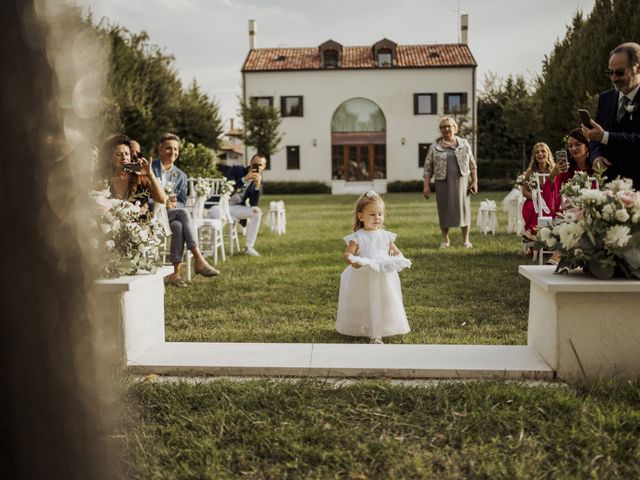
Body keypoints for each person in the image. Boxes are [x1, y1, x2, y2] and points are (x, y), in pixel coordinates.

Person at [336, 191, 411, 344]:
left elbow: (397, 251)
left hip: (383, 275)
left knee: (384, 300)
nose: (377, 218)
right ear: (361, 216)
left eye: (380, 214)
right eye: (372, 214)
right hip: (363, 275)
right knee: (364, 301)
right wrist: (353, 261)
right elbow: (347, 254)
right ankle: (365, 327)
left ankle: (379, 330)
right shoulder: (358, 237)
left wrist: (397, 257)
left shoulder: (385, 235)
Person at [151, 133, 219, 287]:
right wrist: (162, 202)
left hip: (170, 214)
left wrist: (174, 205)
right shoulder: (150, 169)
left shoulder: (181, 175)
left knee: (178, 225)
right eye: (168, 148)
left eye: (175, 149)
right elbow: (143, 195)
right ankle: (198, 259)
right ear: (160, 149)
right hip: (152, 213)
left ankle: (175, 274)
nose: (173, 152)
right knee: (183, 215)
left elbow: (182, 201)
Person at [582, 42, 640, 189]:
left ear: (638, 69)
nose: (614, 79)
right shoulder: (606, 98)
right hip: (609, 188)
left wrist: (604, 137)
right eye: (610, 73)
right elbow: (596, 140)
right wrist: (596, 157)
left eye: (620, 72)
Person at [422, 116, 478, 248]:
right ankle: (445, 240)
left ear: (455, 128)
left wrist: (475, 181)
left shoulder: (464, 143)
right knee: (444, 210)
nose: (446, 129)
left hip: (462, 181)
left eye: (449, 126)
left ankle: (466, 240)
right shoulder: (434, 147)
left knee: (463, 209)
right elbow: (427, 167)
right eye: (443, 127)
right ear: (440, 130)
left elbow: (472, 164)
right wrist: (426, 186)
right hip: (443, 182)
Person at [208, 153, 267, 256]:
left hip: (235, 208)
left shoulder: (258, 181)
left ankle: (249, 247)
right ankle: (211, 249)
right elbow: (226, 187)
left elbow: (253, 204)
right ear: (250, 163)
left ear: (264, 168)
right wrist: (244, 179)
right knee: (220, 217)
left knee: (257, 212)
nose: (256, 167)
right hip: (219, 205)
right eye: (255, 164)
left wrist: (257, 187)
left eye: (260, 165)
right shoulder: (237, 170)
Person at [99, 134, 165, 209]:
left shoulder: (140, 177)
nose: (124, 158)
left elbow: (162, 199)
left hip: (138, 220)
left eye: (127, 154)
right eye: (119, 154)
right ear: (110, 158)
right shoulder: (103, 177)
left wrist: (150, 173)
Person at [521, 142, 556, 240]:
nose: (540, 154)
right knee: (535, 206)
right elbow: (524, 191)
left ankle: (531, 231)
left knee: (544, 206)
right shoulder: (530, 171)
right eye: (537, 152)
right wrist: (536, 197)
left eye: (543, 151)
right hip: (533, 202)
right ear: (534, 156)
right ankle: (532, 232)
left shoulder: (554, 170)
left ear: (548, 153)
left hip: (550, 202)